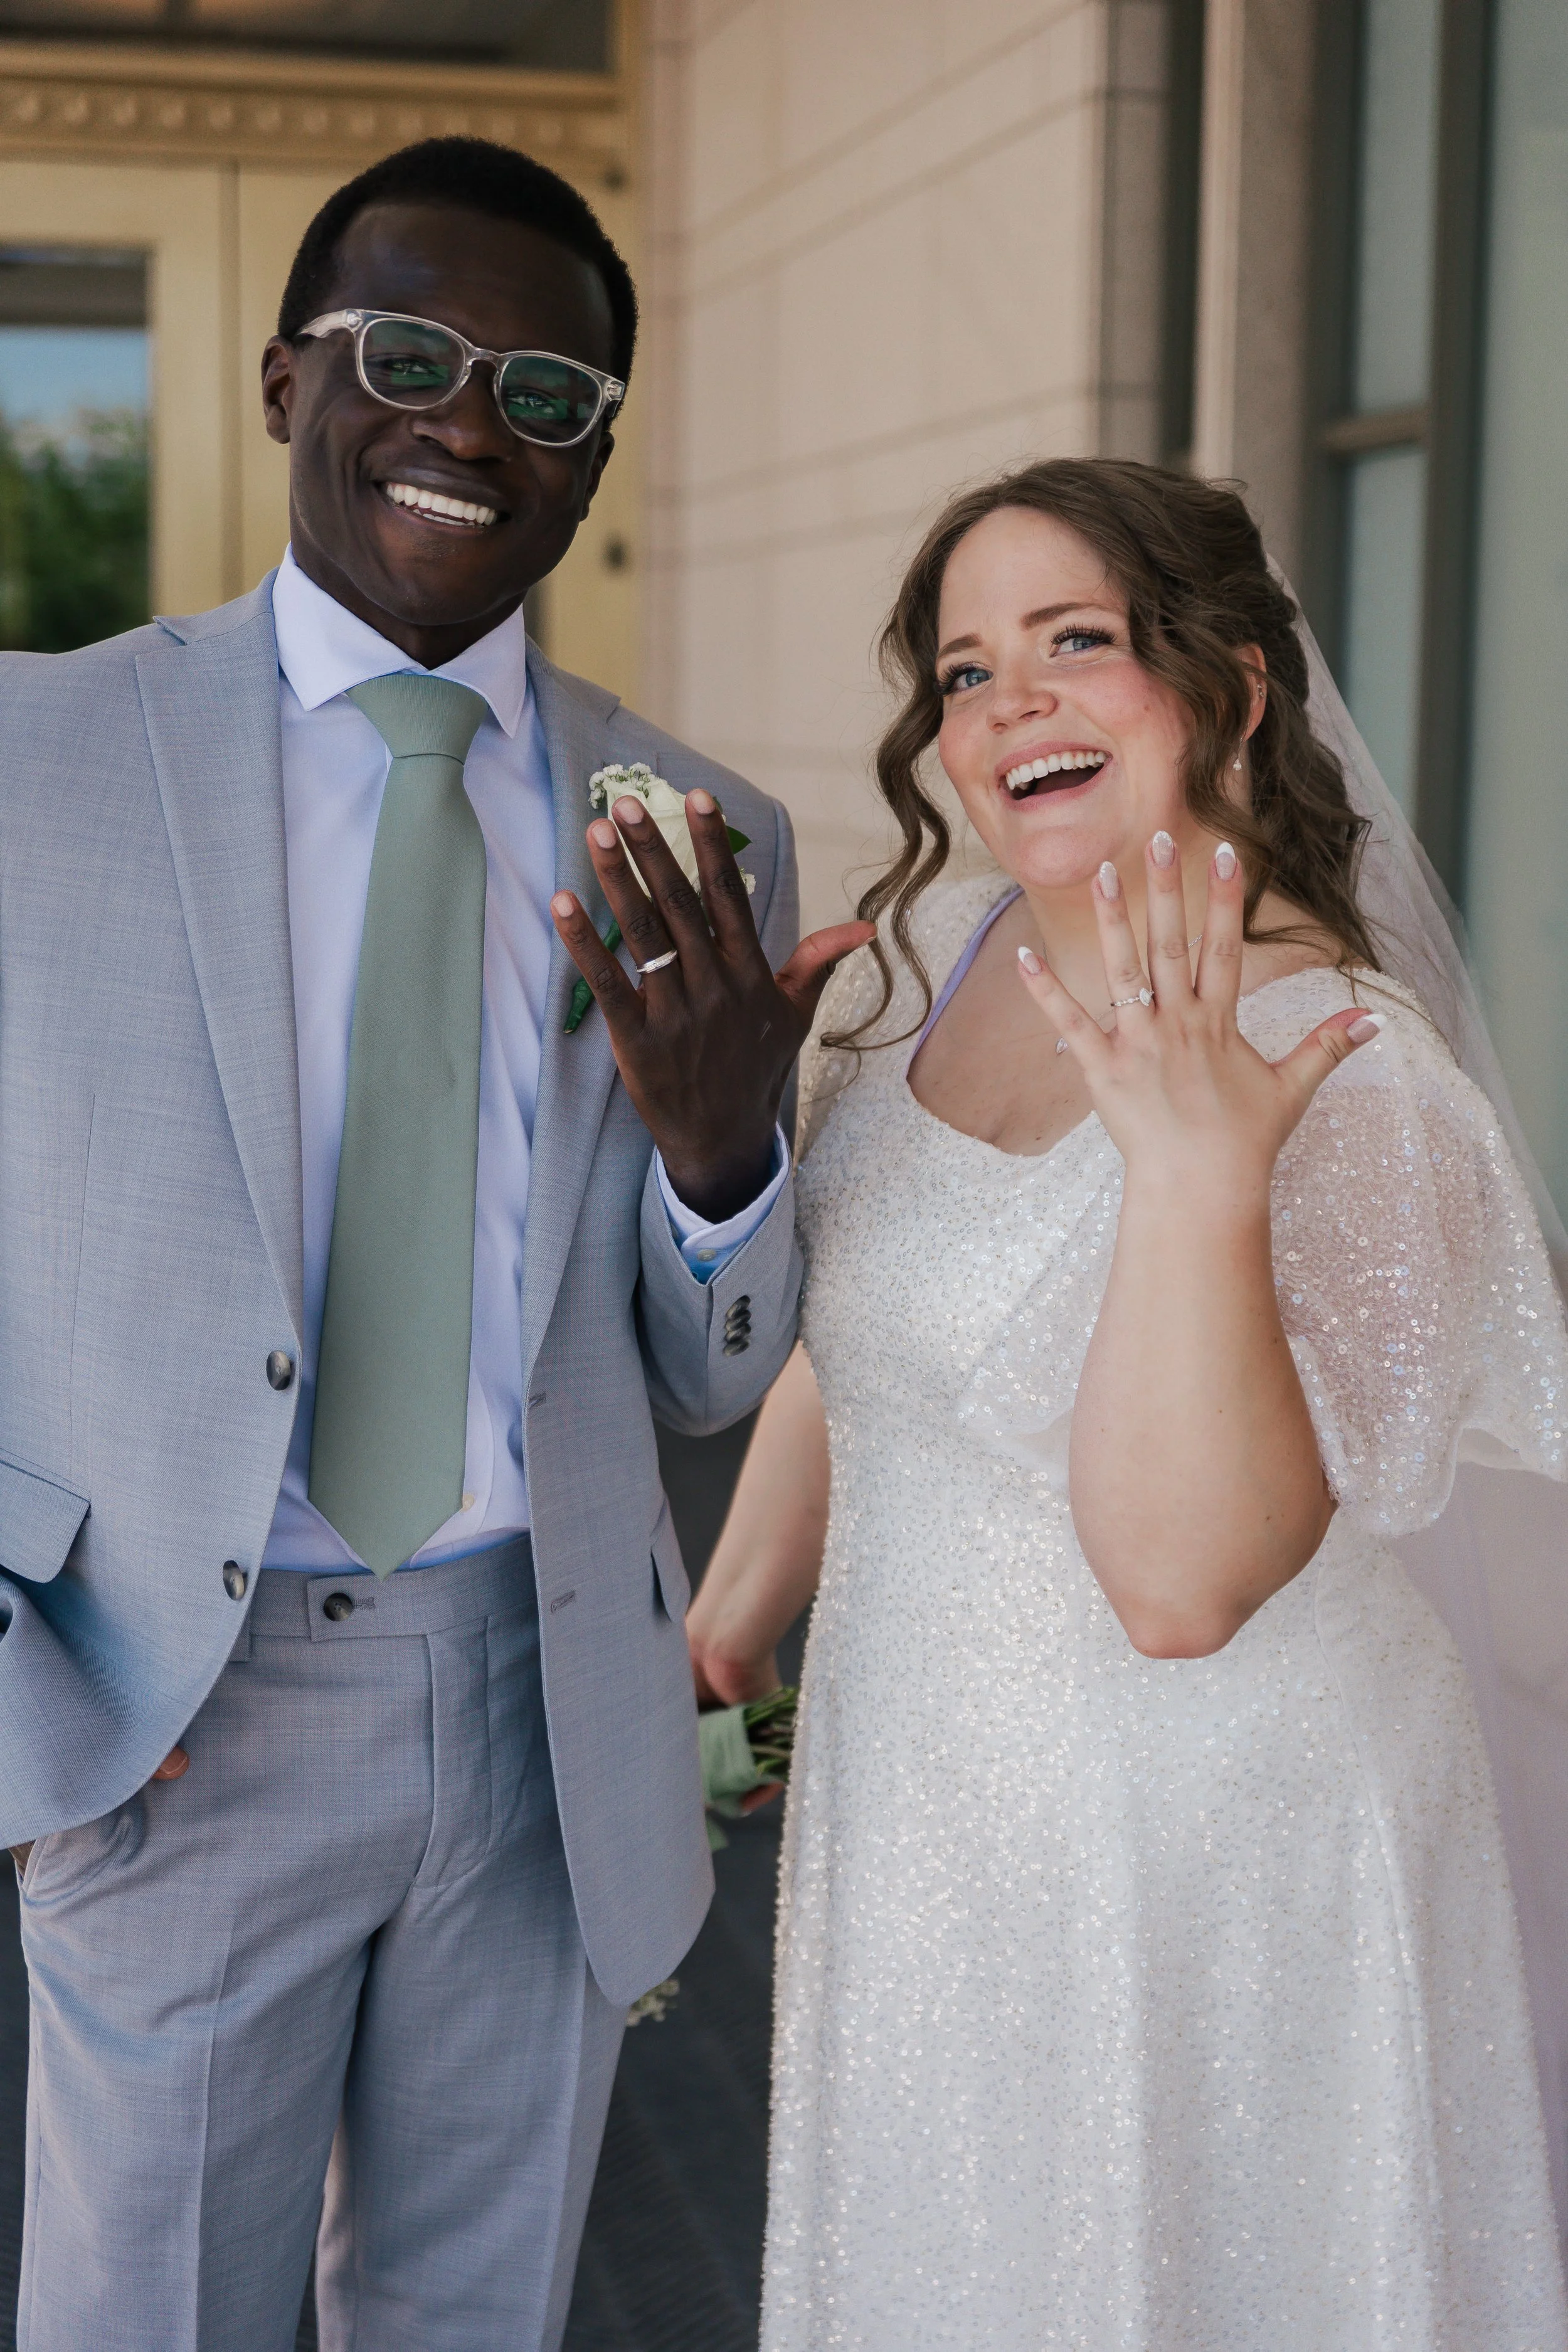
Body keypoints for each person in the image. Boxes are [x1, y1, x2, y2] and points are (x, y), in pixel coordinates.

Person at [0, 136, 866, 2352]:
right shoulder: (35, 762)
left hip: (539, 1704)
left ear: (591, 465)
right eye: (411, 356)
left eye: (545, 397)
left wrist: (718, 1162)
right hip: (172, 1710)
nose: (471, 425)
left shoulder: (700, 833)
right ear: (291, 379)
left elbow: (706, 1373)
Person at [689, 458, 1568, 2345]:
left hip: (1199, 1860)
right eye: (965, 666)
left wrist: (1192, 1182)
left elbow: (1185, 1587)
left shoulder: (1347, 1074)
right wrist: (730, 1613)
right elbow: (881, 1329)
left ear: (1230, 685)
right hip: (920, 1815)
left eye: (1073, 642)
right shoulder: (952, 952)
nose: (1008, 702)